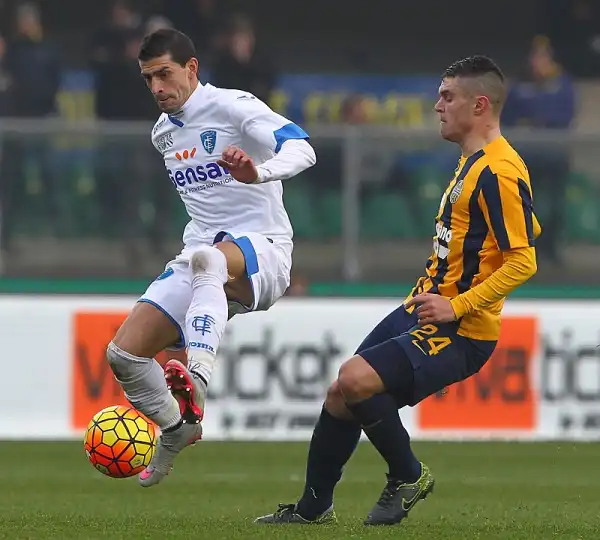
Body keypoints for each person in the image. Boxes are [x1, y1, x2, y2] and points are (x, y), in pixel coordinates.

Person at [255, 55, 541, 526]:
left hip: (462, 327)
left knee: (355, 379)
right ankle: (312, 510)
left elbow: (523, 258)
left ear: (480, 105)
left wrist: (457, 304)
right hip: (424, 308)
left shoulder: (500, 171)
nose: (437, 105)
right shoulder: (473, 163)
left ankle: (408, 474)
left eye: (448, 96)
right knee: (339, 394)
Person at [105, 28, 316, 488]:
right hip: (202, 252)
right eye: (148, 79)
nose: (157, 87)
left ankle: (197, 376)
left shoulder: (234, 106)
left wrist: (258, 172)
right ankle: (179, 428)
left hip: (264, 249)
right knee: (122, 354)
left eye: (164, 74)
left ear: (192, 68)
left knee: (209, 262)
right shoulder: (162, 133)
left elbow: (303, 148)